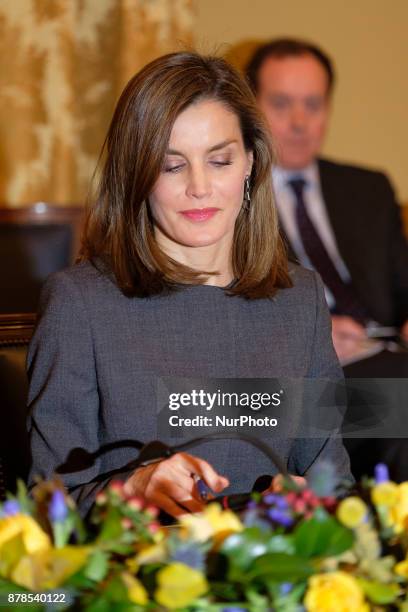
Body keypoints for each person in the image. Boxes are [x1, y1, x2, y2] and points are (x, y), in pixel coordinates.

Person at [27, 51, 351, 519]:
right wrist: (134, 487)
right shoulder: (80, 304)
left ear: (250, 164)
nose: (199, 187)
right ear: (138, 175)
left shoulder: (299, 300)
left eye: (219, 160)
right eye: (172, 166)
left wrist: (314, 503)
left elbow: (333, 480)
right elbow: (44, 510)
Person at [246, 38, 408, 479]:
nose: (299, 122)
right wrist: (310, 336)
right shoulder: (227, 194)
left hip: (390, 361)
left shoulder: (367, 189)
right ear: (250, 107)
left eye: (313, 105)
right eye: (281, 104)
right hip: (304, 391)